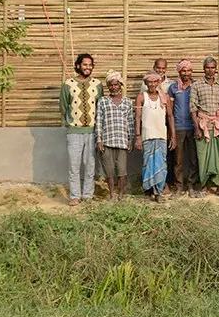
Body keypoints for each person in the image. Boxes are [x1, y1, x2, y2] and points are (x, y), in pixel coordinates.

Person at [60, 53, 102, 206]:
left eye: (90, 65)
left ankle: (88, 195)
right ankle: (75, 196)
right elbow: (63, 106)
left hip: (92, 131)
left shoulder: (97, 84)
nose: (88, 67)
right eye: (85, 65)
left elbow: (100, 107)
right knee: (74, 165)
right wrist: (70, 124)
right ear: (78, 65)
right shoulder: (68, 84)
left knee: (90, 165)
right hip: (74, 132)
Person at [94, 70, 134, 201]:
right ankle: (112, 195)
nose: (113, 87)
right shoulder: (103, 101)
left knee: (122, 171)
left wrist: (131, 139)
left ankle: (121, 194)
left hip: (122, 141)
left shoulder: (127, 102)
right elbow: (99, 121)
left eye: (116, 84)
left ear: (120, 85)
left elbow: (130, 122)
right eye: (110, 85)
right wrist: (99, 139)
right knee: (109, 171)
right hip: (107, 141)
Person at [136, 71, 175, 202]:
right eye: (149, 82)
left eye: (155, 82)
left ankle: (159, 192)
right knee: (148, 164)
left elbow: (170, 117)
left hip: (161, 135)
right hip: (147, 135)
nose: (152, 84)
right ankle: (149, 191)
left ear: (159, 83)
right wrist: (137, 136)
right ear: (146, 83)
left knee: (161, 164)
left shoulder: (165, 98)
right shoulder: (142, 97)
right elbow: (137, 117)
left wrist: (173, 135)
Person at [191, 56, 219, 196]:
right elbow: (193, 108)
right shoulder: (197, 85)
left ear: (216, 69)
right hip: (203, 126)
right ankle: (204, 186)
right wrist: (196, 128)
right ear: (203, 69)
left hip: (217, 126)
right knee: (203, 157)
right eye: (208, 68)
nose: (210, 70)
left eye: (213, 68)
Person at [166, 60, 199, 197]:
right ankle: (179, 186)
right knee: (178, 160)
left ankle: (191, 185)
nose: (186, 73)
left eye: (189, 70)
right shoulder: (173, 88)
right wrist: (171, 131)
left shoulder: (196, 86)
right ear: (179, 72)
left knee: (193, 158)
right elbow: (170, 112)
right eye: (183, 71)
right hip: (178, 127)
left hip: (193, 127)